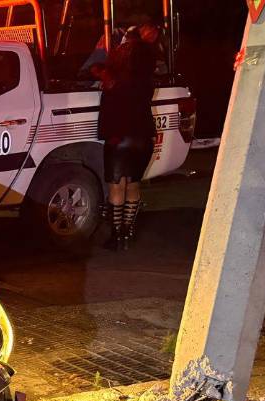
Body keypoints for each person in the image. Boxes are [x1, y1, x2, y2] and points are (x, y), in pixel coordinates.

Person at [98, 23, 160, 250]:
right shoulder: (146, 82)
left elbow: (107, 111)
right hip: (143, 136)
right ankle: (128, 232)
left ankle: (116, 236)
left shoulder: (114, 83)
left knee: (117, 186)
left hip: (119, 137)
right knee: (133, 184)